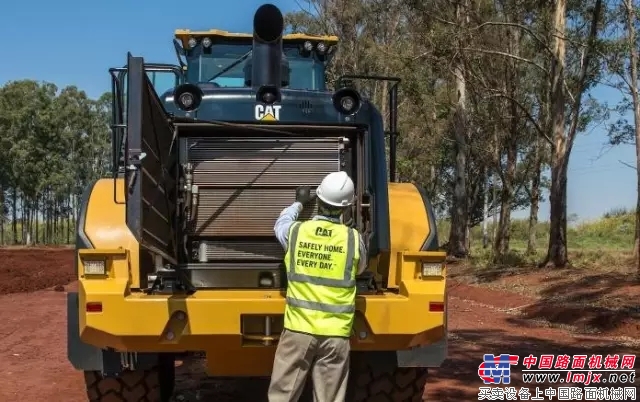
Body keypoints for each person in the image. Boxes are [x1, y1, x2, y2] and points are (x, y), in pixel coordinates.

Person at [268, 171, 367, 402]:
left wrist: (299, 203)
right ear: (346, 207)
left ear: (319, 201)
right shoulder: (353, 239)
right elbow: (360, 268)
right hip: (335, 336)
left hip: (298, 330)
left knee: (282, 396)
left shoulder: (296, 232)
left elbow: (280, 224)